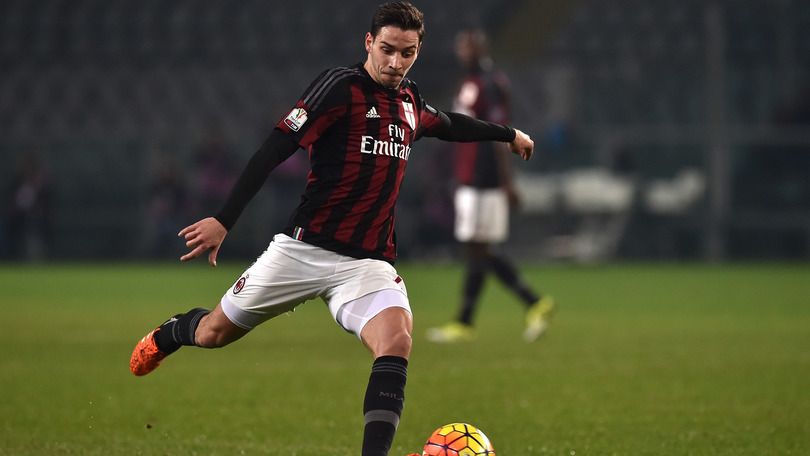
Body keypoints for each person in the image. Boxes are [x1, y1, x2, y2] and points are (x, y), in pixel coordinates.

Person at [129, 4, 534, 456]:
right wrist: (225, 219)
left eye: (408, 53)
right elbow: (276, 147)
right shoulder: (340, 88)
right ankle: (170, 332)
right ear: (368, 43)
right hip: (303, 251)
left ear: (418, 51)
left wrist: (507, 133)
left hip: (367, 263)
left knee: (397, 340)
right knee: (213, 334)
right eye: (387, 50)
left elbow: (453, 125)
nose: (395, 63)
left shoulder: (409, 103)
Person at [426, 29, 554, 344]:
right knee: (478, 249)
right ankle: (526, 304)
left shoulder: (489, 84)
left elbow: (501, 135)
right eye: (460, 46)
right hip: (471, 176)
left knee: (477, 248)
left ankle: (515, 307)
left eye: (468, 46)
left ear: (481, 48)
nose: (462, 52)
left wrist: (507, 181)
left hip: (484, 178)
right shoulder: (474, 82)